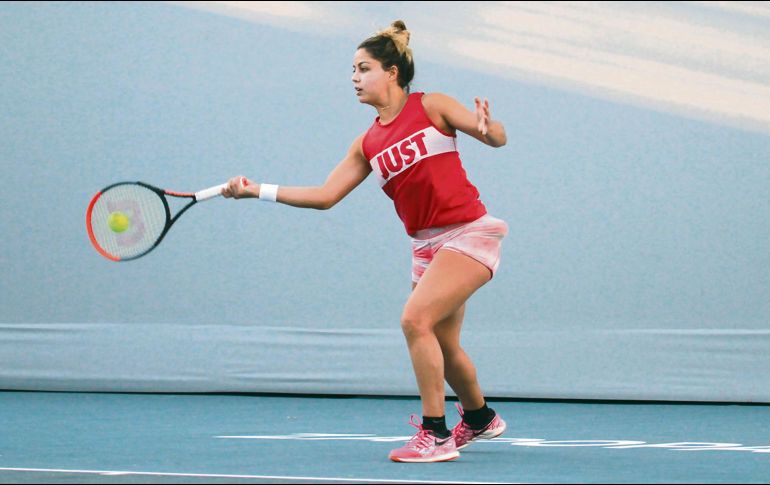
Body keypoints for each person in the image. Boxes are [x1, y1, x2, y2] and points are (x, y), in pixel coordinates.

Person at [222, 20, 508, 463]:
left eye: (363, 68)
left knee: (415, 321)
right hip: (426, 248)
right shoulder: (367, 143)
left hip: (469, 233)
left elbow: (496, 136)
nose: (354, 78)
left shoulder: (431, 105)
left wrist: (489, 130)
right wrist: (257, 189)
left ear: (392, 72)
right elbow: (325, 196)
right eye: (353, 70)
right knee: (444, 344)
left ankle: (435, 435)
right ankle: (480, 417)